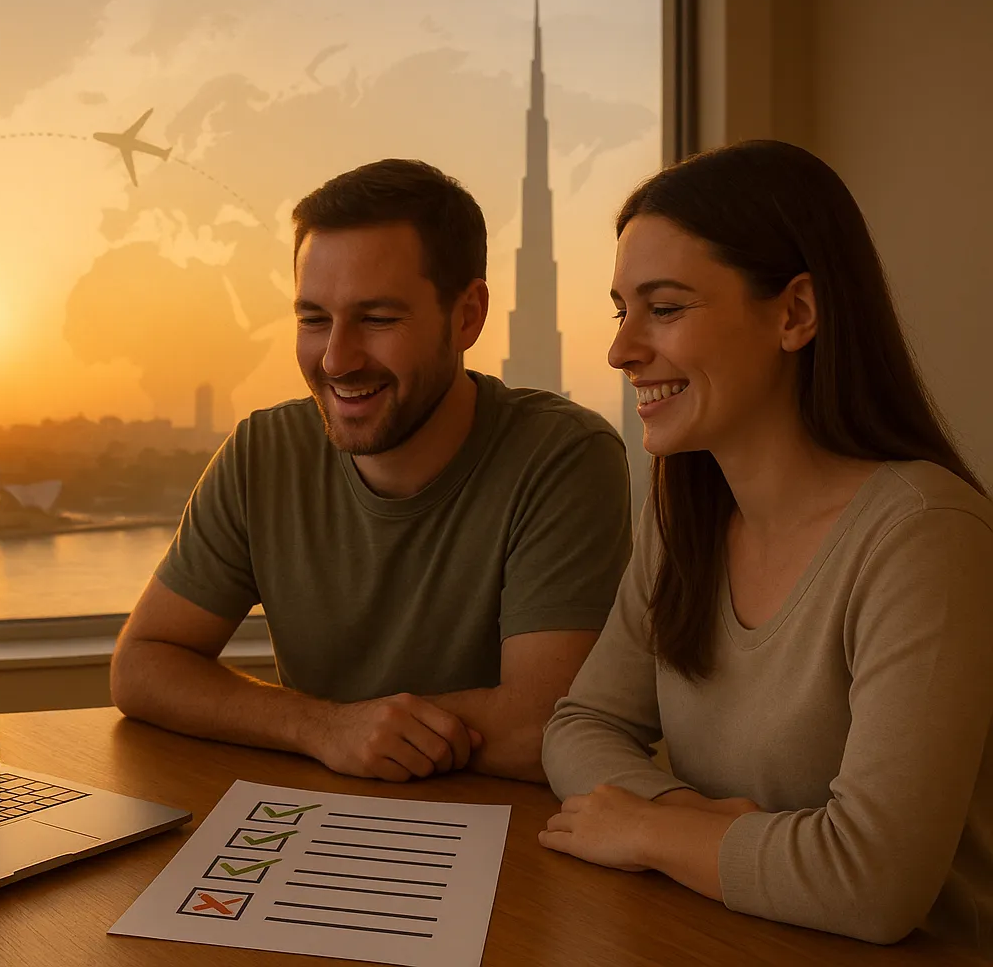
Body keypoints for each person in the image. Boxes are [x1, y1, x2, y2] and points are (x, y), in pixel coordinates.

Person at [539, 140, 993, 954]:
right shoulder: (686, 518)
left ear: (795, 314)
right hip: (726, 935)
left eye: (665, 308)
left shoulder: (926, 537)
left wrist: (645, 832)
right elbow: (581, 724)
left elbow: (873, 885)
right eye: (622, 310)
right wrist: (689, 823)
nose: (621, 350)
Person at [111, 158, 632, 784]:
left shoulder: (563, 456)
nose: (336, 358)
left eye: (378, 319)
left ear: (467, 316)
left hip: (512, 845)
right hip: (315, 829)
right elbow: (141, 666)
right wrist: (322, 728)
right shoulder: (261, 452)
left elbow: (543, 728)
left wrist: (351, 732)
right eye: (313, 319)